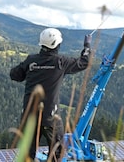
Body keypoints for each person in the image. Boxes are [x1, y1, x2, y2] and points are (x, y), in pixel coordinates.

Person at [10, 28, 91, 161]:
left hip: (29, 115)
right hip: (51, 117)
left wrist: (28, 67)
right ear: (57, 45)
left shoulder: (31, 60)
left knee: (26, 155)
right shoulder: (61, 62)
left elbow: (14, 75)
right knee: (56, 152)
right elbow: (84, 62)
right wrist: (87, 46)